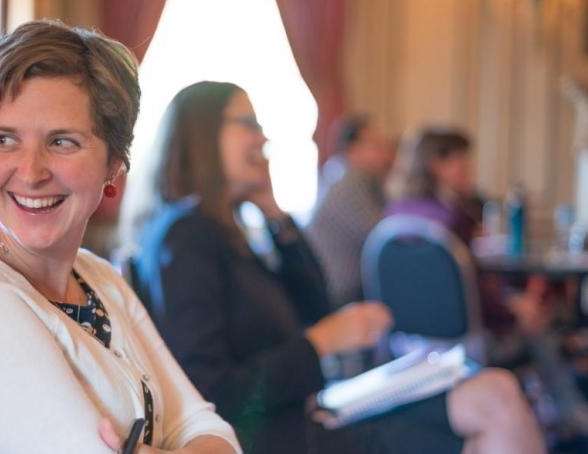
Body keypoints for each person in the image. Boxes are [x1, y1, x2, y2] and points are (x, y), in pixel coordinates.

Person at [121, 81, 545, 454]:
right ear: (202, 133)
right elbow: (212, 391)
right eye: (247, 122)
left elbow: (316, 302)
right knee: (492, 407)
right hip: (274, 436)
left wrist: (274, 213)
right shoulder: (186, 238)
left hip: (304, 414)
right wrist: (319, 344)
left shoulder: (228, 230)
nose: (262, 135)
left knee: (495, 392)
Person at [0, 21, 240, 454]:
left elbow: (209, 428)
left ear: (114, 164)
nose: (31, 172)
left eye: (62, 141)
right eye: (5, 139)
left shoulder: (98, 277)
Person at [387, 127, 588, 435]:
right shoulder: (449, 219)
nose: (469, 171)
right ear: (436, 165)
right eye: (462, 164)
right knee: (539, 322)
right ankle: (569, 410)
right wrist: (514, 312)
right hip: (465, 341)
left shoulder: (395, 214)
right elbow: (473, 298)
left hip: (408, 341)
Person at [308, 114, 395, 308]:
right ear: (353, 149)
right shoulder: (349, 183)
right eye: (376, 144)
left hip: (346, 288)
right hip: (341, 293)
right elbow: (380, 237)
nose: (385, 152)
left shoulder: (347, 176)